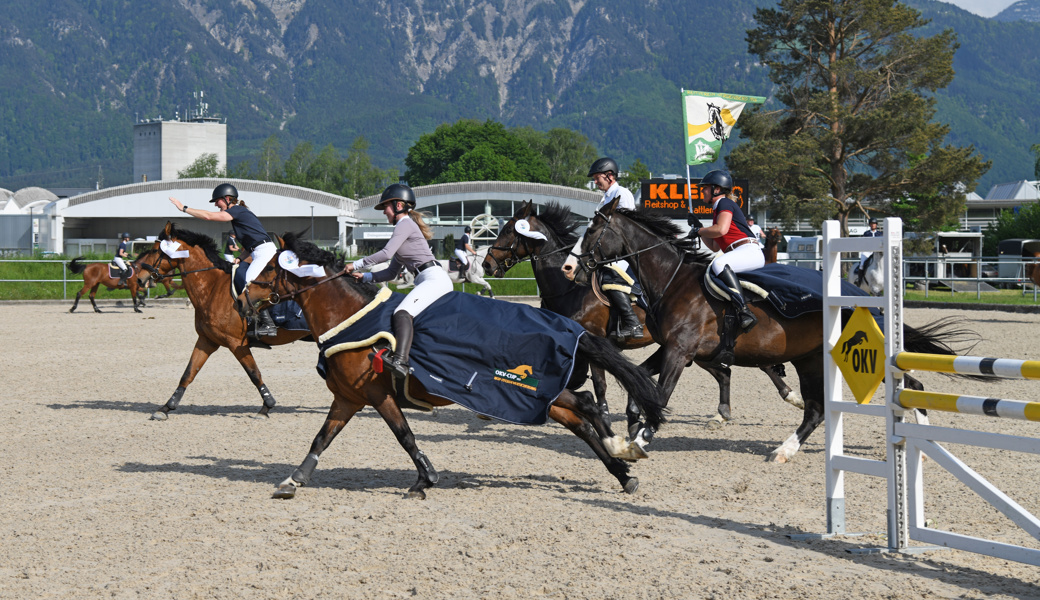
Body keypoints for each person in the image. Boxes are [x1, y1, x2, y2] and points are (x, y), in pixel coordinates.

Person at [346, 183, 452, 383]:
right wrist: (366, 277)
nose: (384, 211)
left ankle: (401, 361)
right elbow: (391, 272)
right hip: (427, 279)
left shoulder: (405, 225)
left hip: (433, 279)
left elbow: (385, 254)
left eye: (386, 206)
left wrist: (357, 265)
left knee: (402, 313)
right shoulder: (404, 230)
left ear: (399, 205)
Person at [169, 183, 278, 337]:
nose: (215, 204)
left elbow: (208, 216)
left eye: (217, 201)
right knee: (239, 276)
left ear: (227, 199)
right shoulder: (239, 214)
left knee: (249, 283)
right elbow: (251, 244)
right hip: (257, 252)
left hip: (264, 252)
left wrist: (184, 208)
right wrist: (240, 258)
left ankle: (268, 324)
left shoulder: (237, 210)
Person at [690, 169, 762, 364]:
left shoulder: (724, 203)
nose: (701, 192)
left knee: (719, 264)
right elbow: (714, 245)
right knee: (716, 263)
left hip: (748, 250)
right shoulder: (716, 210)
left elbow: (721, 230)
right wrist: (700, 230)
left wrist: (699, 230)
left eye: (704, 189)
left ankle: (744, 311)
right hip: (738, 251)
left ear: (717, 189)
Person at [571, 157, 643, 341]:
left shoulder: (622, 193)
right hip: (611, 251)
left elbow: (624, 228)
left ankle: (633, 322)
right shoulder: (607, 197)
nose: (595, 182)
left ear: (609, 176)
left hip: (624, 252)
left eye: (597, 178)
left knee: (611, 276)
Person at [855, 217, 883, 285]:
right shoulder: (866, 233)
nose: (873, 225)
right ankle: (859, 280)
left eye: (874, 224)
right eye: (871, 224)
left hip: (877, 252)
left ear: (876, 225)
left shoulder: (880, 234)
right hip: (867, 251)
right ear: (870, 225)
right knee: (862, 264)